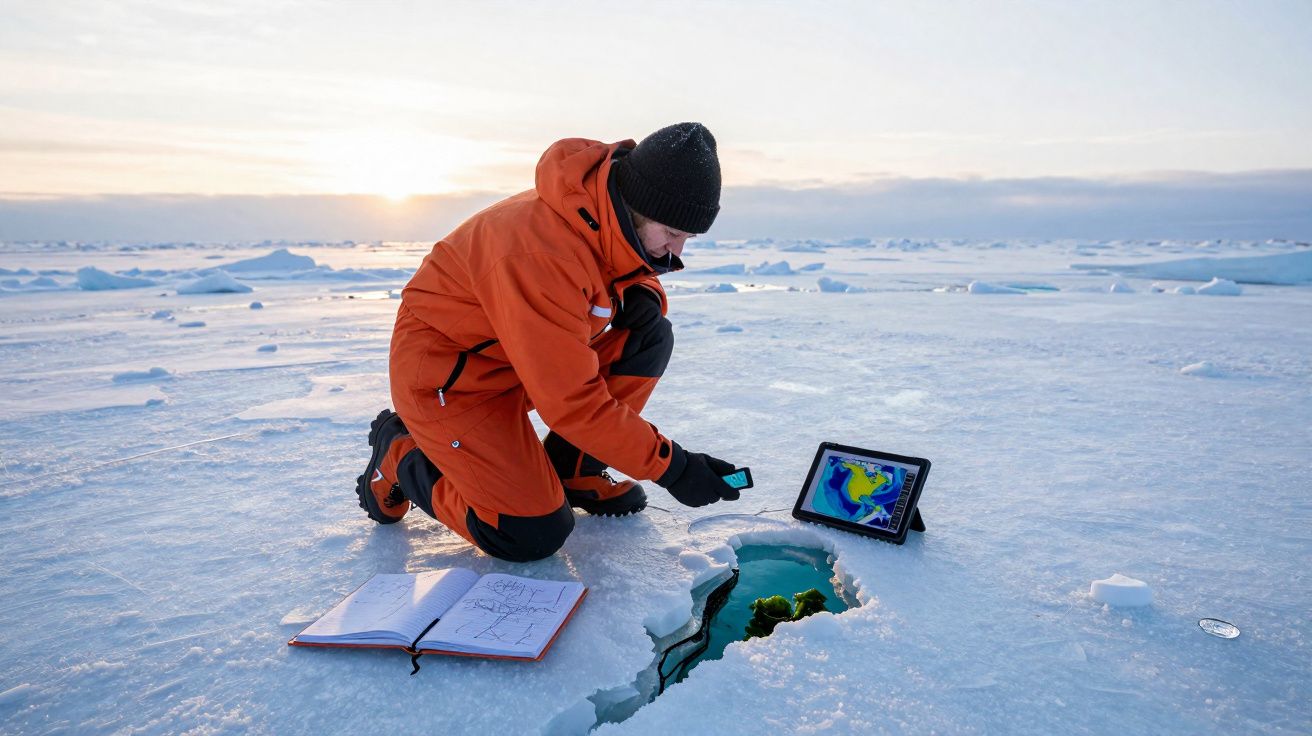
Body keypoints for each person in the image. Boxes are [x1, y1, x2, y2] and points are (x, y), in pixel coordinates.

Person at [355, 122, 744, 561]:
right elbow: (573, 401)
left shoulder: (599, 212)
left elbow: (610, 267)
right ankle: (400, 452)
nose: (677, 252)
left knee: (648, 333)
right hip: (451, 385)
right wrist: (674, 467)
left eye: (686, 238)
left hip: (514, 364)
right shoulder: (537, 254)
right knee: (529, 533)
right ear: (634, 206)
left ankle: (575, 469)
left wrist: (643, 293)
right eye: (671, 233)